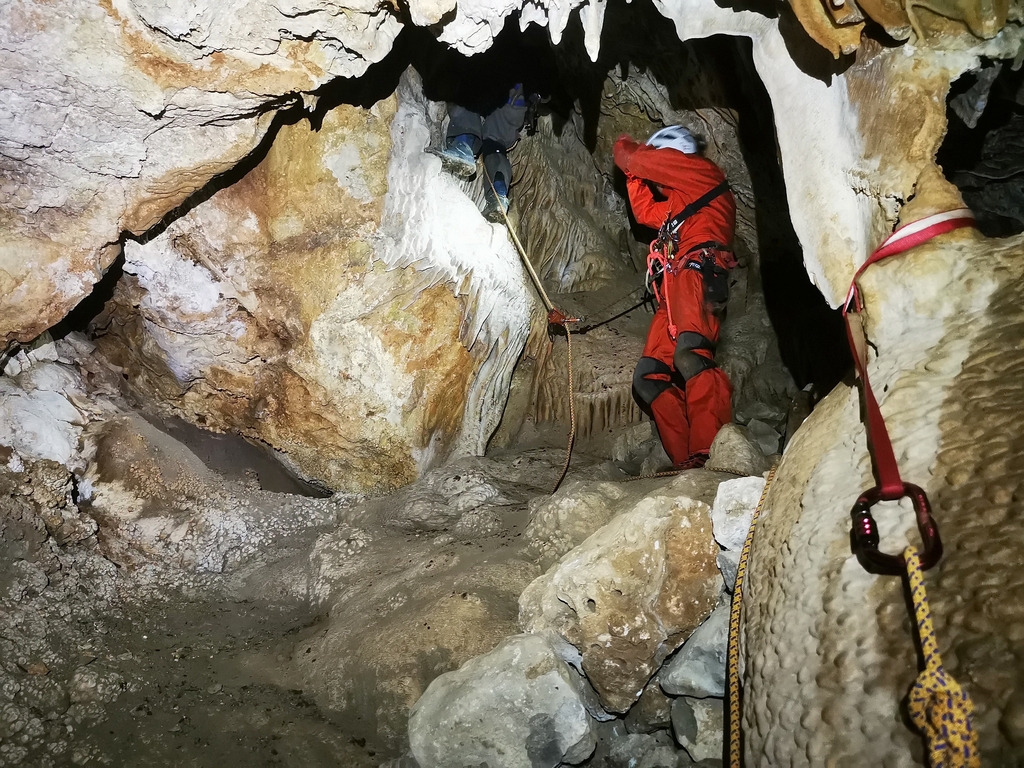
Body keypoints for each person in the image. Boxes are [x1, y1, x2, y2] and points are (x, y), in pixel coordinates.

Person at [614, 125, 737, 469]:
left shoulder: (700, 172)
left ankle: (709, 450)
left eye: (663, 156)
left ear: (675, 153)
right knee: (649, 375)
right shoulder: (679, 200)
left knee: (692, 355)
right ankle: (686, 459)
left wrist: (625, 144)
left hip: (700, 271)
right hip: (675, 286)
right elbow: (645, 213)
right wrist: (634, 178)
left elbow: (632, 158)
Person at [438, 84, 530, 222]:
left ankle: (463, 146)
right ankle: (498, 195)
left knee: (465, 94)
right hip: (515, 100)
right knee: (495, 144)